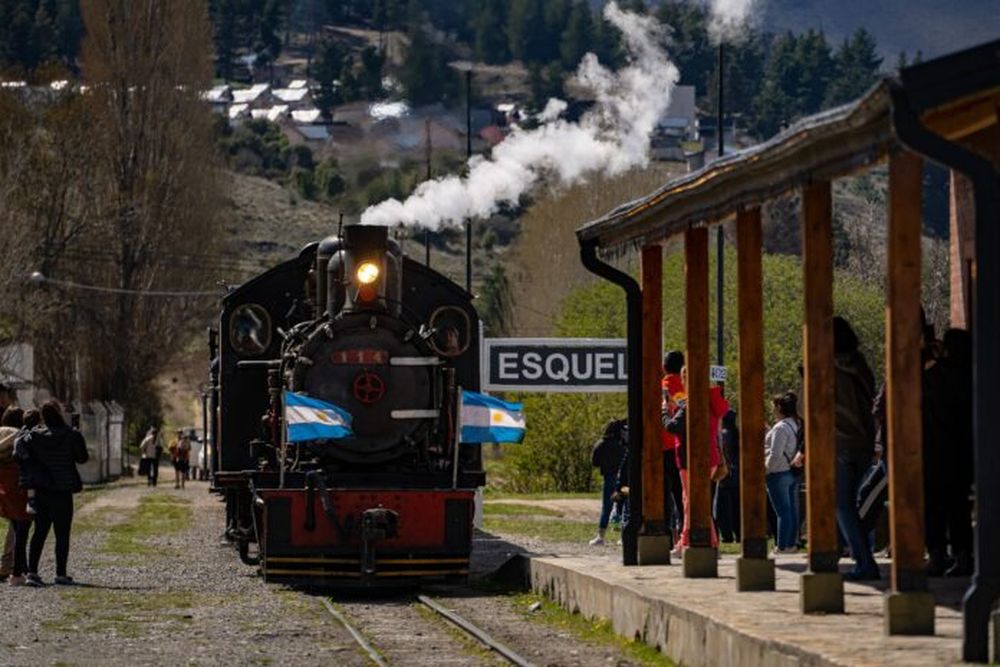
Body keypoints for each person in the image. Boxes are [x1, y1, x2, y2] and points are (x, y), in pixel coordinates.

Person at [15, 401, 89, 586]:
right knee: (62, 534)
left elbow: (21, 451)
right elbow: (82, 458)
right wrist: (77, 435)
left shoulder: (34, 435)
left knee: (39, 532)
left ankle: (32, 572)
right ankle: (60, 573)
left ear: (43, 417)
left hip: (41, 489)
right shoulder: (70, 435)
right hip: (62, 490)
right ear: (59, 413)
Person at [832, 316, 880, 581]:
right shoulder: (861, 366)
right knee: (849, 503)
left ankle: (864, 560)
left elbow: (809, 407)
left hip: (841, 442)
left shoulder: (826, 369)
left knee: (842, 504)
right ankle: (862, 555)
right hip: (863, 442)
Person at [933, 328, 974, 576]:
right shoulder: (973, 374)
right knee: (959, 509)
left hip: (940, 450)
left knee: (937, 507)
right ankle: (962, 555)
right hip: (965, 450)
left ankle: (939, 555)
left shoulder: (939, 375)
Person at [764, 393, 803, 553]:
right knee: (792, 510)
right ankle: (791, 543)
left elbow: (775, 453)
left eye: (774, 407)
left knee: (782, 511)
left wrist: (766, 469)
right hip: (792, 472)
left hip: (778, 472)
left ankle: (782, 545)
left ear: (779, 408)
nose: (773, 410)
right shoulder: (795, 424)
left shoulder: (780, 427)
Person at [0, 408, 32, 585]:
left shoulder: (1, 433)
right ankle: (11, 566)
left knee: (14, 526)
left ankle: (14, 565)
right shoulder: (19, 436)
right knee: (19, 526)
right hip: (16, 485)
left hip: (2, 484)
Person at [660, 351, 686, 544]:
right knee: (682, 496)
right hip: (683, 444)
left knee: (662, 497)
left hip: (662, 446)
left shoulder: (662, 387)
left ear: (664, 367)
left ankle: (666, 539)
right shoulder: (687, 386)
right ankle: (685, 537)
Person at [590, 419, 628, 546]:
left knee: (607, 507)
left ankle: (601, 536)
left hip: (608, 477)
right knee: (622, 507)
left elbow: (595, 462)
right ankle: (623, 536)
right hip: (623, 478)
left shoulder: (601, 444)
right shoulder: (623, 445)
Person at [714, 410, 741, 543]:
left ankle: (726, 535)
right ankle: (739, 533)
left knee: (722, 507)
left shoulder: (724, 434)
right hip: (737, 474)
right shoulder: (737, 433)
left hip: (726, 474)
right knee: (736, 506)